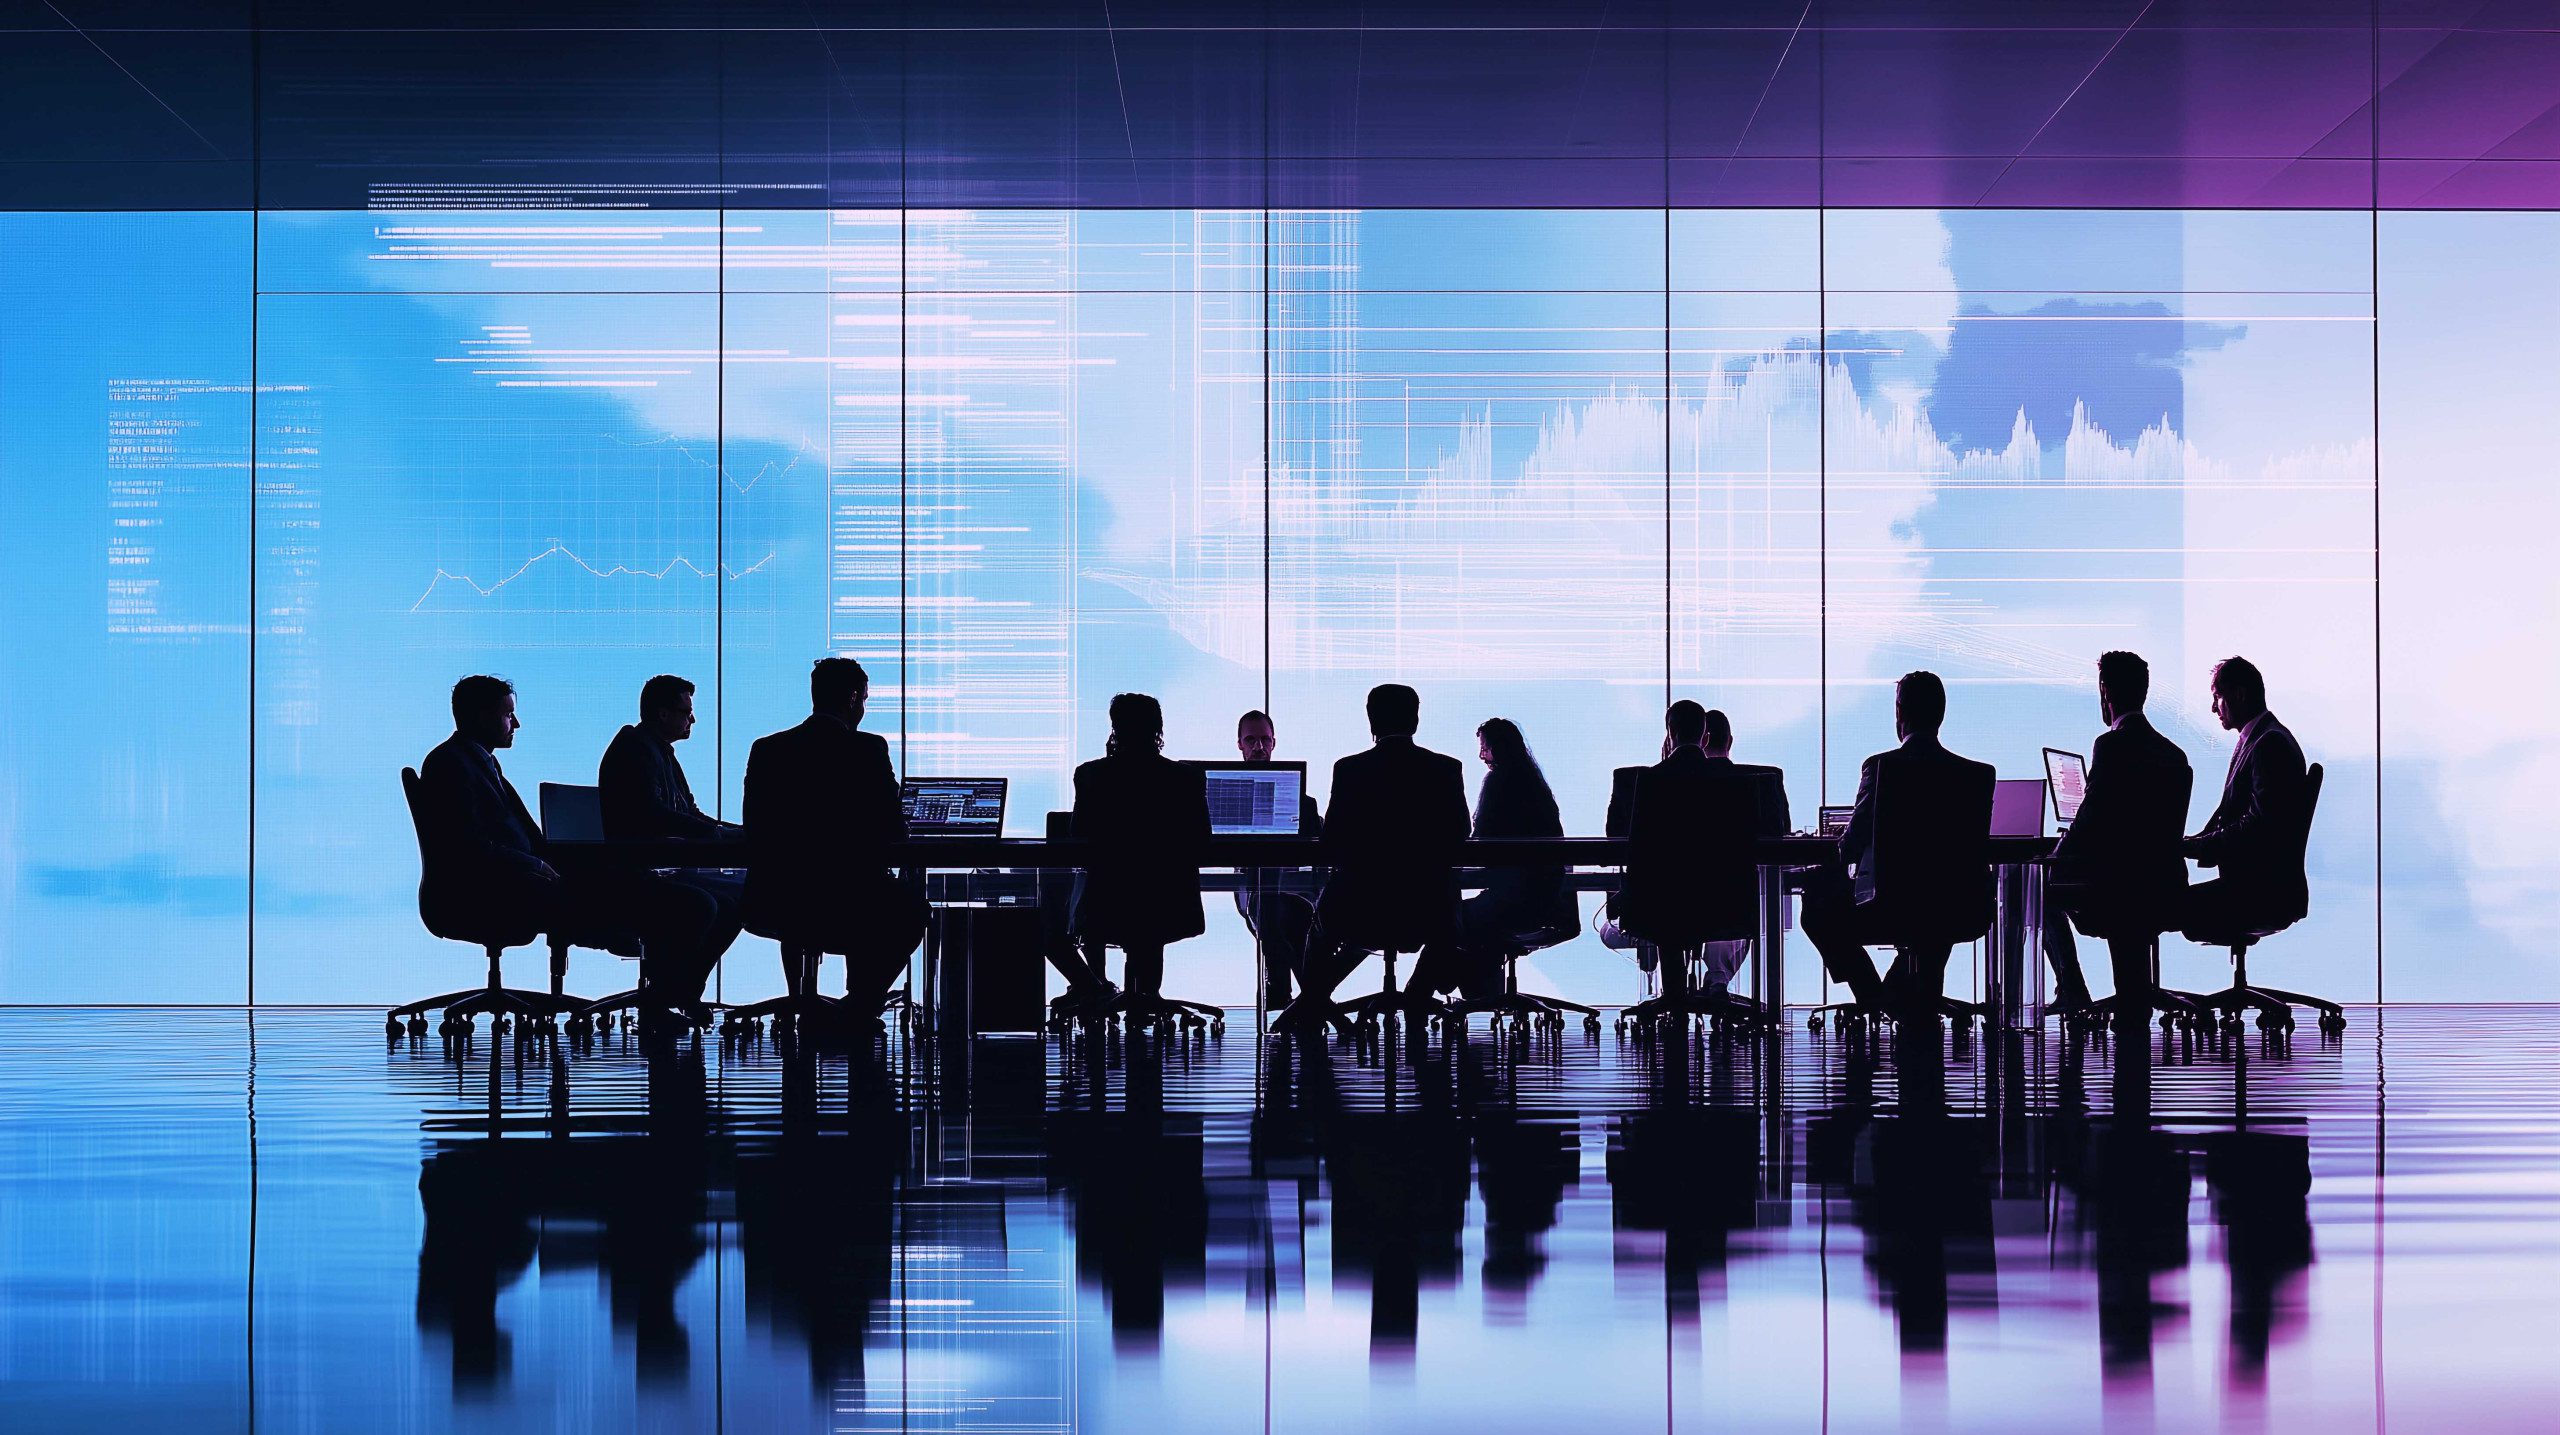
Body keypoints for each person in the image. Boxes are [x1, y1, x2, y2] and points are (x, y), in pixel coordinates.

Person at [418, 675, 720, 1039]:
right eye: (508, 715)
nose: (516, 724)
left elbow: (519, 842)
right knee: (686, 903)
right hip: (496, 890)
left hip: (518, 882)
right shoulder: (450, 766)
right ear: (481, 717)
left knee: (675, 897)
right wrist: (538, 866)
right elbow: (470, 847)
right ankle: (661, 1002)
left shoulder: (477, 764)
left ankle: (663, 998)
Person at [1796, 671, 1995, 1014]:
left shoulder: (1881, 767)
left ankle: (1872, 993)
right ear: (1941, 714)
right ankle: (1906, 991)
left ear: (1899, 712)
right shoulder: (1976, 774)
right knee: (1933, 904)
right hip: (1960, 908)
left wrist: (1835, 851)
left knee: (1816, 897)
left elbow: (1851, 848)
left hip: (1888, 909)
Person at [740, 658, 927, 1019]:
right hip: (848, 899)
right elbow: (893, 829)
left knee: (850, 903)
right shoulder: (867, 749)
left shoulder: (767, 749)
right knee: (909, 912)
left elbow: (755, 826)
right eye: (865, 700)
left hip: (773, 897)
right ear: (854, 698)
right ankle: (860, 1004)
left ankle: (817, 1002)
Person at [1298, 684, 1471, 1020]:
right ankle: (1418, 995)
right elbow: (1460, 834)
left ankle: (1311, 1004)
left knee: (1319, 927)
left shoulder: (1350, 769)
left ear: (1371, 721)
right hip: (1424, 911)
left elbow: (1332, 840)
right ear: (1415, 720)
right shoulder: (1446, 769)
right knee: (1446, 917)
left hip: (1358, 910)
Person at [2041, 651, 2191, 1016]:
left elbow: (2088, 822)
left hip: (2117, 888)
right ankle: (2133, 994)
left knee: (2035, 890)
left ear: (2104, 690)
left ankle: (2072, 988)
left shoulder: (2111, 745)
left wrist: (2053, 858)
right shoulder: (2175, 754)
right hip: (2165, 886)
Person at [598, 674, 746, 1000]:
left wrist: (732, 832)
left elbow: (690, 814)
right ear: (663, 714)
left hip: (657, 870)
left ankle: (682, 989)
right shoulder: (635, 750)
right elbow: (652, 814)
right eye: (686, 711)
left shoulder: (660, 752)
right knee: (704, 904)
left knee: (736, 899)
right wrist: (716, 833)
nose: (692, 718)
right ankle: (672, 992)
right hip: (633, 875)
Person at [1607, 702, 1772, 994]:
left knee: (1666, 906)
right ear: (1706, 738)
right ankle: (1708, 987)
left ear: (1669, 735)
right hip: (1725, 906)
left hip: (1657, 905)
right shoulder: (1739, 784)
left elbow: (1614, 844)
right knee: (1682, 908)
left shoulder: (1636, 783)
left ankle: (1674, 1000)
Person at [1409, 718, 1578, 1001]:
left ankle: (1421, 993)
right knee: (1461, 922)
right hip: (1546, 904)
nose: (1481, 755)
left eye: (1484, 748)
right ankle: (1445, 988)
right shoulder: (1535, 786)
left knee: (1446, 918)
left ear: (1497, 748)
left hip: (1510, 903)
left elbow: (1481, 842)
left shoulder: (1498, 780)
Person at [1068, 693, 1212, 1015]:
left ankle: (1098, 989)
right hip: (1168, 903)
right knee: (1149, 923)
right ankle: (1146, 994)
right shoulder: (1185, 778)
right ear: (1159, 728)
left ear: (1114, 728)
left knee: (1101, 909)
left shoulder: (1091, 775)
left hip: (1108, 902)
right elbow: (1202, 841)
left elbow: (1078, 838)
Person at [2181, 656, 2309, 934]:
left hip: (2260, 891)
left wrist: (2193, 848)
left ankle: (2136, 980)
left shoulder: (2269, 744)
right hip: (2261, 885)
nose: (2213, 707)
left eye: (2217, 696)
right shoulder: (2257, 739)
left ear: (2238, 694)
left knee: (2157, 906)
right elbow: (2233, 816)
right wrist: (2192, 843)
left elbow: (2259, 825)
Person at [1232, 709, 1331, 1009]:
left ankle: (1285, 997)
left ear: (1274, 742)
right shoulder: (1229, 796)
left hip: (1295, 892)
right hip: (1260, 890)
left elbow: (1319, 850)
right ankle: (1314, 998)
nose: (1259, 747)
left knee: (1275, 914)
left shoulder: (1304, 804)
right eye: (1251, 740)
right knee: (1274, 910)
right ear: (1239, 744)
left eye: (1264, 740)